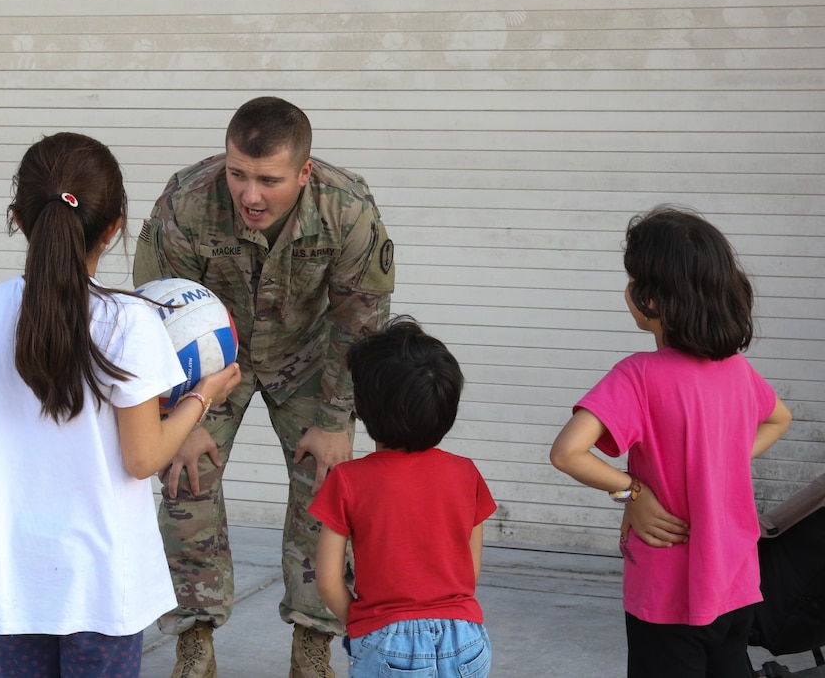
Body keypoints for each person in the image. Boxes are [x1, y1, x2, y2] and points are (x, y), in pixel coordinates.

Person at [0, 132, 241, 678]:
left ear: (18, 217)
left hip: (18, 581)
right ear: (114, 228)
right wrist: (205, 395)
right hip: (100, 587)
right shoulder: (129, 322)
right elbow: (142, 458)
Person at [133, 96, 395, 677]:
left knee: (327, 493)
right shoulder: (187, 200)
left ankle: (313, 643)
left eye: (269, 180)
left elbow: (359, 322)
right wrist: (184, 418)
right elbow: (153, 315)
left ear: (304, 172)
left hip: (311, 358)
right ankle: (194, 641)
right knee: (184, 481)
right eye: (238, 175)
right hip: (211, 365)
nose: (251, 195)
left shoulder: (346, 209)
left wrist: (334, 420)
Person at [549, 205, 793, 677]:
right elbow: (778, 420)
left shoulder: (637, 376)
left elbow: (566, 453)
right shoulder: (740, 373)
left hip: (664, 596)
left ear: (650, 300)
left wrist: (630, 492)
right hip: (737, 584)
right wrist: (719, 460)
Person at [309, 316, 495, 678]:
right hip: (466, 636)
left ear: (363, 408)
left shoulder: (347, 480)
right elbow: (468, 572)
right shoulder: (466, 473)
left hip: (387, 642)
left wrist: (365, 625)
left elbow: (329, 581)